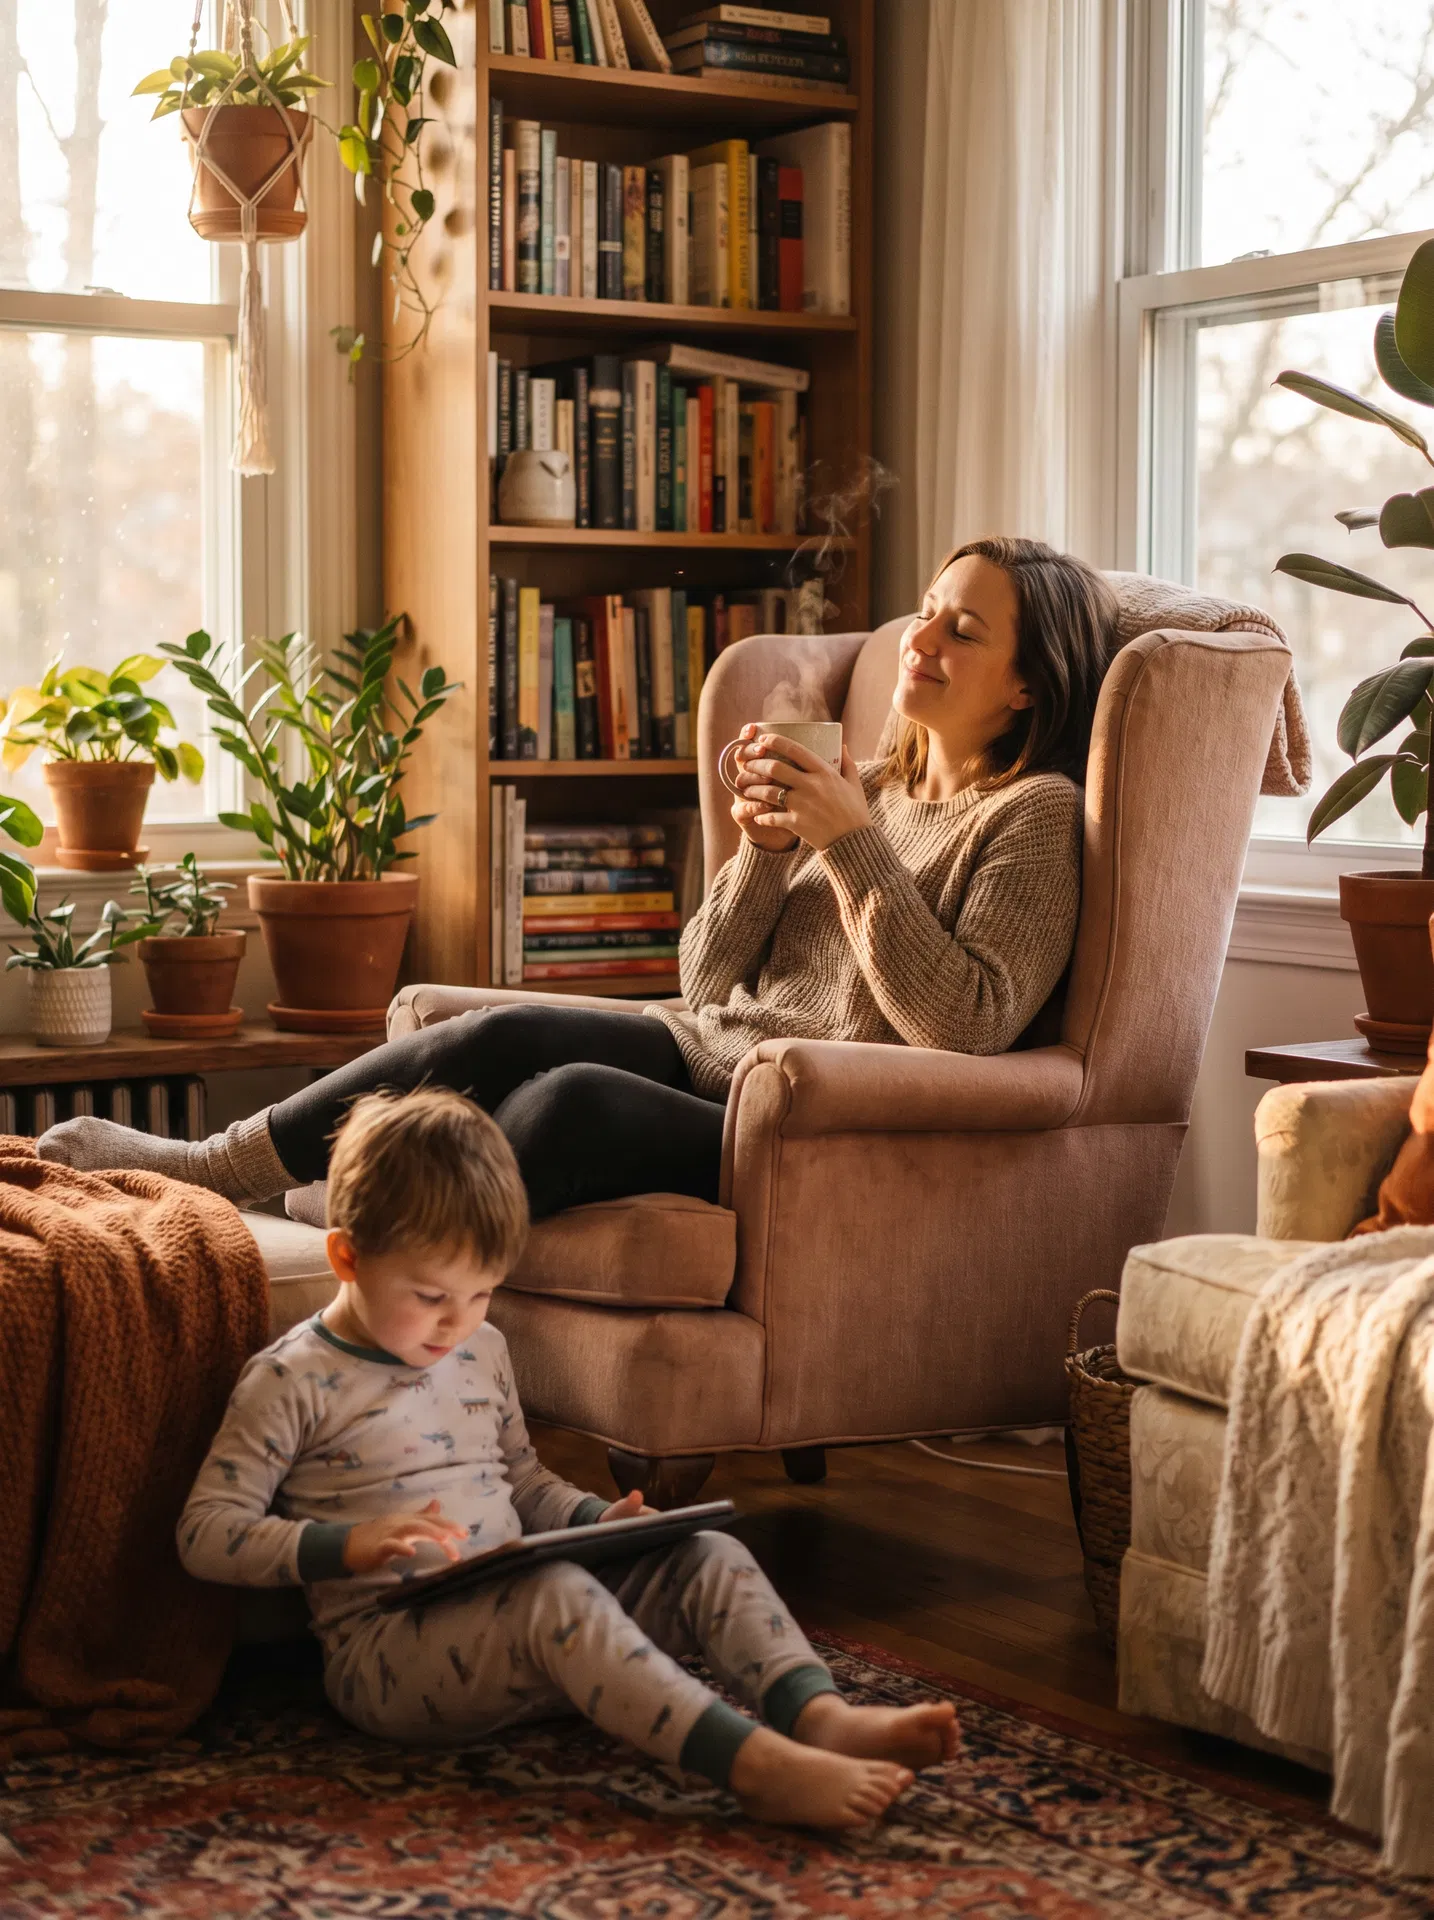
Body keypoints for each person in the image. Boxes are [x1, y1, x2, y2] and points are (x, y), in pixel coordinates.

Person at [36, 535, 1118, 1218]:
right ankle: (214, 1171)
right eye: (927, 609)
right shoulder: (862, 781)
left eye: (963, 629)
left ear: (1028, 687)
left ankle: (354, 1259)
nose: (920, 636)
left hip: (817, 1113)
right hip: (719, 1052)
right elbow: (705, 984)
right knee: (495, 1036)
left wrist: (846, 846)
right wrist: (767, 849)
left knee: (573, 1104)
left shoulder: (1035, 815)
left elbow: (970, 1023)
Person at [178, 1087, 956, 1827]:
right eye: (430, 1296)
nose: (457, 1322)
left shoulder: (483, 1349)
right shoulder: (291, 1379)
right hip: (390, 1659)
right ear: (348, 1258)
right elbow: (206, 1534)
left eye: (481, 1294)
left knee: (708, 1551)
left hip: (532, 1624)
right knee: (554, 1593)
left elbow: (522, 1482)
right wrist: (344, 1546)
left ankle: (818, 1718)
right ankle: (755, 1770)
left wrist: (597, 1520)